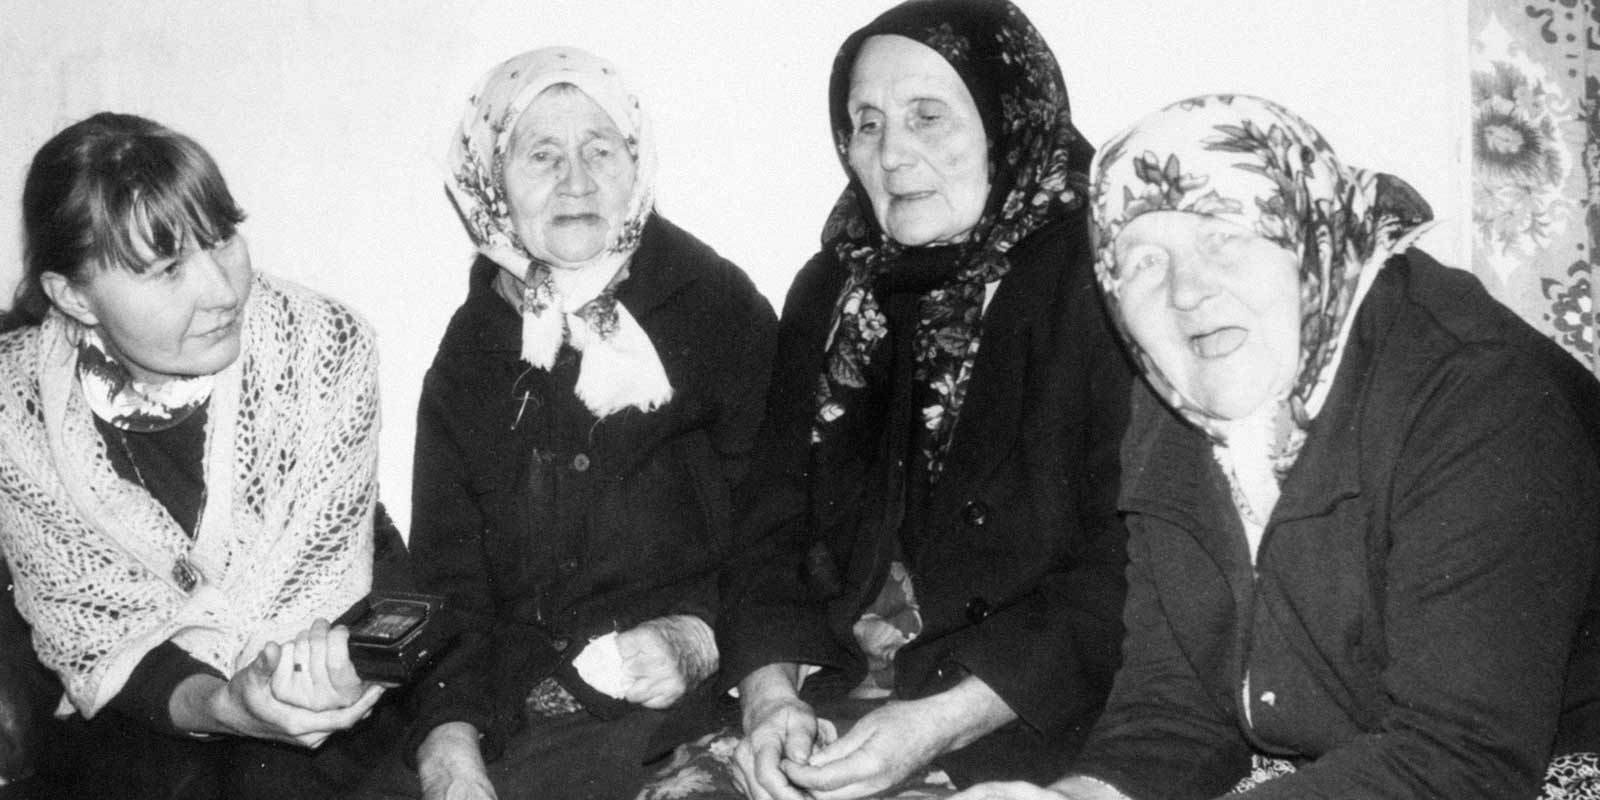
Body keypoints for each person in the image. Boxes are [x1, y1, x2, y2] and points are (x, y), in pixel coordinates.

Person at [950, 95, 1600, 800]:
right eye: (1142, 262)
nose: (1188, 292)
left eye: (1225, 235)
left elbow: (1463, 758)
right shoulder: (1176, 406)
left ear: (1309, 231)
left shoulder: (1475, 393)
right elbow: (1175, 710)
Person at [639, 2, 1134, 798]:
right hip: (836, 694)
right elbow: (771, 523)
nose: (892, 154)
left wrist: (939, 722)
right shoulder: (834, 288)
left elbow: (1123, 566)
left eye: (927, 117)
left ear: (1010, 119)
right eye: (866, 124)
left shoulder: (1103, 284)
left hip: (1019, 712)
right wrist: (770, 698)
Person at [365, 47, 776, 800]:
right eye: (542, 155)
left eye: (600, 150)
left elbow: (783, 525)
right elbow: (448, 581)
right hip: (513, 711)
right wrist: (448, 744)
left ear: (637, 161)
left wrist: (701, 634)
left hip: (683, 703)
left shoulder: (715, 309)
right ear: (491, 180)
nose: (577, 181)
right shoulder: (472, 354)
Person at [0, 112, 396, 799]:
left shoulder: (323, 349)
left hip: (322, 701)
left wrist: (268, 696)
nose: (220, 291)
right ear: (73, 296)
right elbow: (95, 639)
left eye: (221, 241)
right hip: (140, 726)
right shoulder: (15, 408)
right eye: (166, 269)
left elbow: (324, 593)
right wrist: (223, 706)